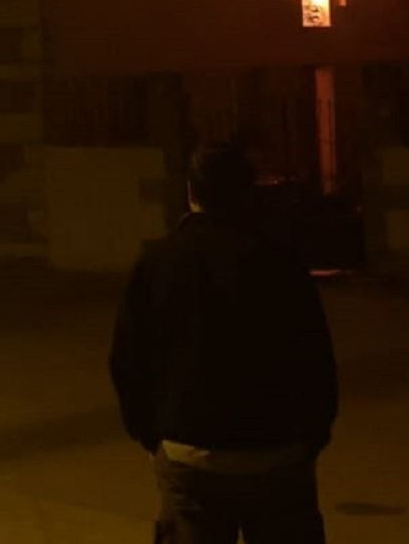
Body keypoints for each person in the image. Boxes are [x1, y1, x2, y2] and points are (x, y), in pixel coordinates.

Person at [109, 140, 337, 543]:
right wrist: (310, 437)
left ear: (191, 192)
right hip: (277, 452)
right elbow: (315, 359)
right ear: (248, 194)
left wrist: (152, 434)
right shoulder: (279, 262)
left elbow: (129, 361)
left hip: (189, 451)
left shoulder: (158, 263)